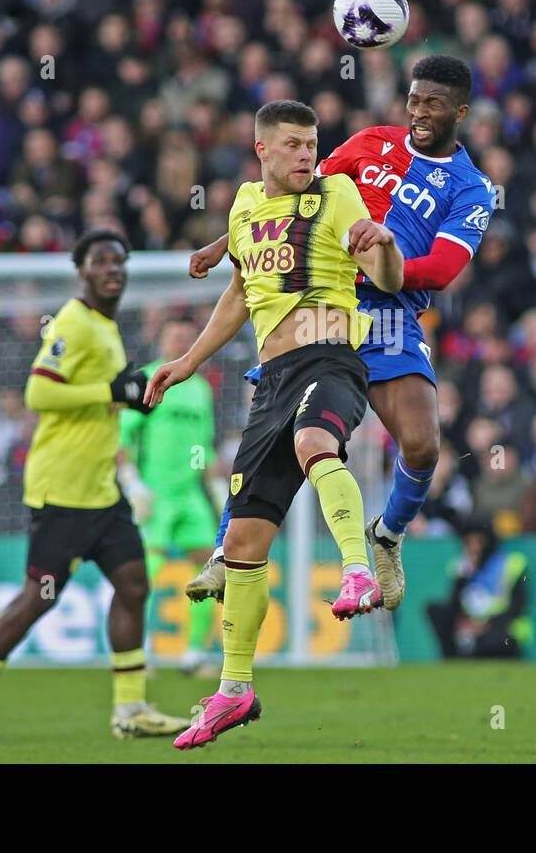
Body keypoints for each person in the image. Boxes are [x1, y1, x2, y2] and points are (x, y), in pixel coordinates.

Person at [186, 55, 497, 612]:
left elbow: (445, 268)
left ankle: (386, 535)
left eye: (434, 104)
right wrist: (225, 244)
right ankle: (222, 551)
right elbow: (293, 196)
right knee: (273, 434)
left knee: (423, 445)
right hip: (323, 304)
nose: (419, 112)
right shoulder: (370, 142)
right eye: (414, 99)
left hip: (391, 311)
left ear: (461, 112)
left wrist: (382, 258)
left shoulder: (471, 189)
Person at [144, 99, 404, 749]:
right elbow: (238, 296)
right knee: (245, 544)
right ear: (262, 150)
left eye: (311, 143)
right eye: (292, 145)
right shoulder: (244, 208)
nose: (306, 154)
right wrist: (184, 362)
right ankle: (234, 691)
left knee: (317, 442)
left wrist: (389, 246)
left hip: (333, 358)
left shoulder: (338, 195)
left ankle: (357, 567)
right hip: (273, 381)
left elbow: (387, 278)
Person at [0, 229, 191, 742]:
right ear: (82, 270)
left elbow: (99, 399)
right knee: (39, 597)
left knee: (134, 584)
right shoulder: (73, 322)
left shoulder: (105, 326)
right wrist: (111, 389)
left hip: (101, 489)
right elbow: (37, 393)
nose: (112, 269)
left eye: (119, 261)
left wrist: (127, 397)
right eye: (101, 261)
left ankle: (130, 707)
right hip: (64, 489)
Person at [118, 318, 220, 675]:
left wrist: (215, 488)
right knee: (145, 573)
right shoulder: (144, 380)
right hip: (155, 494)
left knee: (209, 568)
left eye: (187, 338)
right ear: (160, 339)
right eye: (174, 336)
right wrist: (132, 483)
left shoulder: (200, 389)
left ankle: (194, 654)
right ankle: (136, 653)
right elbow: (123, 438)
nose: (180, 342)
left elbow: (201, 446)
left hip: (190, 495)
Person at [426, 517, 531, 659]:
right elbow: (454, 605)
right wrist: (465, 575)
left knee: (496, 640)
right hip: (470, 624)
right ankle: (452, 658)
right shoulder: (461, 567)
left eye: (478, 542)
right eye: (469, 542)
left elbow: (518, 607)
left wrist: (485, 624)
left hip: (501, 627)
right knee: (436, 610)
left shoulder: (512, 564)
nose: (473, 548)